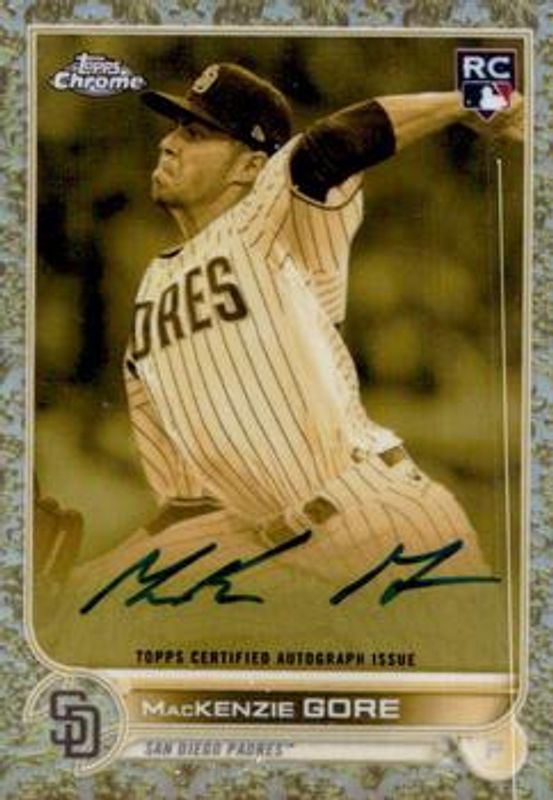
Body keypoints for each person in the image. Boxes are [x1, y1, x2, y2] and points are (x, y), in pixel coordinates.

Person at [35, 63, 521, 663]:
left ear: (249, 166)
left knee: (463, 697)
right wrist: (83, 581)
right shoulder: (148, 301)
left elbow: (329, 147)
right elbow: (189, 507)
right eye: (175, 128)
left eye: (196, 132)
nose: (169, 142)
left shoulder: (272, 224)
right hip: (268, 552)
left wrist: (472, 98)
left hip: (372, 517)